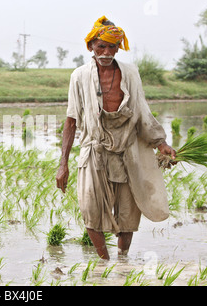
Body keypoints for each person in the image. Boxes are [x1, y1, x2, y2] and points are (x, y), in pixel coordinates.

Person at [56, 16, 176, 260]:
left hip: (128, 149)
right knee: (90, 209)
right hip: (94, 149)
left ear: (119, 48)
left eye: (112, 46)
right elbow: (71, 120)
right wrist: (63, 163)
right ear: (90, 46)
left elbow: (142, 110)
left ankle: (122, 262)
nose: (107, 52)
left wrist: (160, 143)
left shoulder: (130, 73)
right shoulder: (79, 76)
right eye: (101, 46)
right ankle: (104, 261)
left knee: (128, 214)